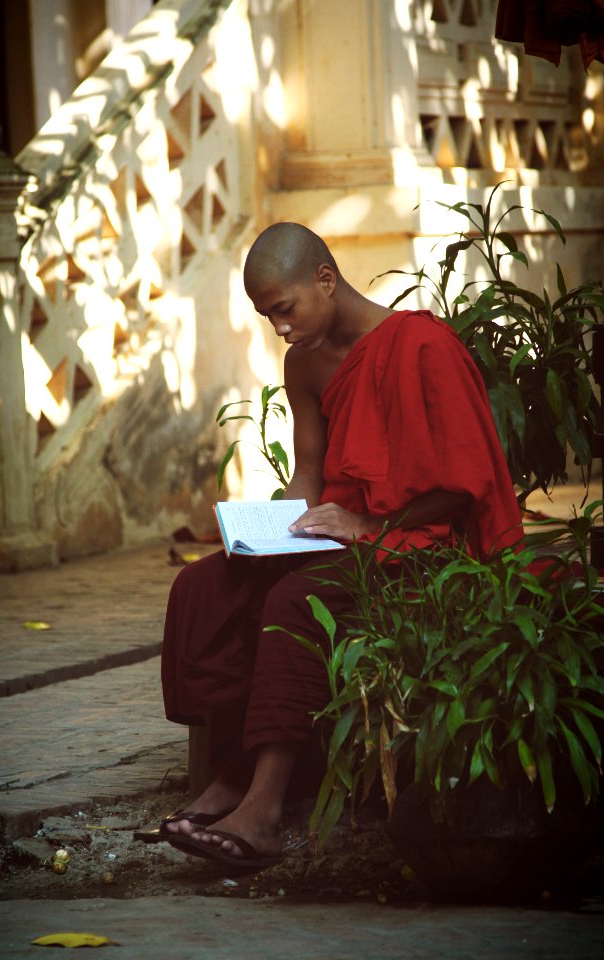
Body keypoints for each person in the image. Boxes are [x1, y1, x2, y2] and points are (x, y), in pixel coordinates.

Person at [137, 222, 523, 867]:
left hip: (421, 542)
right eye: (267, 317)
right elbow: (310, 474)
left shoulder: (422, 345)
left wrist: (371, 526)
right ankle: (229, 774)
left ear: (325, 279)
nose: (280, 329)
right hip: (344, 535)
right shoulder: (306, 362)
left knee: (295, 602)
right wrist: (272, 532)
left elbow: (465, 483)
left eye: (284, 310)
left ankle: (262, 811)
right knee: (203, 586)